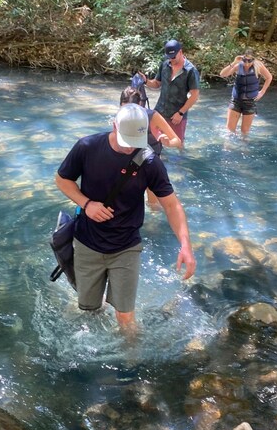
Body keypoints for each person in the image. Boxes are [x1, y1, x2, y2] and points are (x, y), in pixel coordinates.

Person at [55, 103, 196, 333]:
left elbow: (171, 205)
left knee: (125, 319)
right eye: (126, 140)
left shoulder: (149, 162)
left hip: (126, 247)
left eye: (135, 142)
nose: (130, 148)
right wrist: (87, 204)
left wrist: (186, 245)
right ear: (114, 126)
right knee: (88, 309)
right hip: (87, 242)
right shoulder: (87, 147)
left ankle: (132, 361)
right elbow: (62, 180)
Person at [120, 86, 182, 207]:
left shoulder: (152, 116)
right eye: (125, 108)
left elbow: (177, 140)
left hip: (150, 160)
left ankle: (154, 221)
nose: (129, 113)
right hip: (129, 157)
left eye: (133, 108)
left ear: (140, 105)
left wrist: (167, 142)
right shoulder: (120, 116)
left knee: (153, 203)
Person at [140, 39, 200, 143]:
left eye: (173, 57)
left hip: (176, 116)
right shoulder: (164, 65)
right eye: (169, 57)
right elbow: (157, 84)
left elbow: (194, 96)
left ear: (180, 52)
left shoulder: (191, 71)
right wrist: (146, 81)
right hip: (159, 112)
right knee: (154, 142)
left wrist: (180, 113)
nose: (171, 60)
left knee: (177, 144)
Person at [218, 48, 272, 138]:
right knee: (229, 131)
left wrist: (262, 92)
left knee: (244, 133)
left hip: (250, 102)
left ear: (254, 59)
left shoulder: (258, 66)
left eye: (250, 60)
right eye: (245, 60)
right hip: (236, 101)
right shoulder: (238, 65)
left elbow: (269, 77)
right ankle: (228, 149)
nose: (247, 63)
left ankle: (244, 149)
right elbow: (222, 74)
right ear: (242, 58)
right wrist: (234, 62)